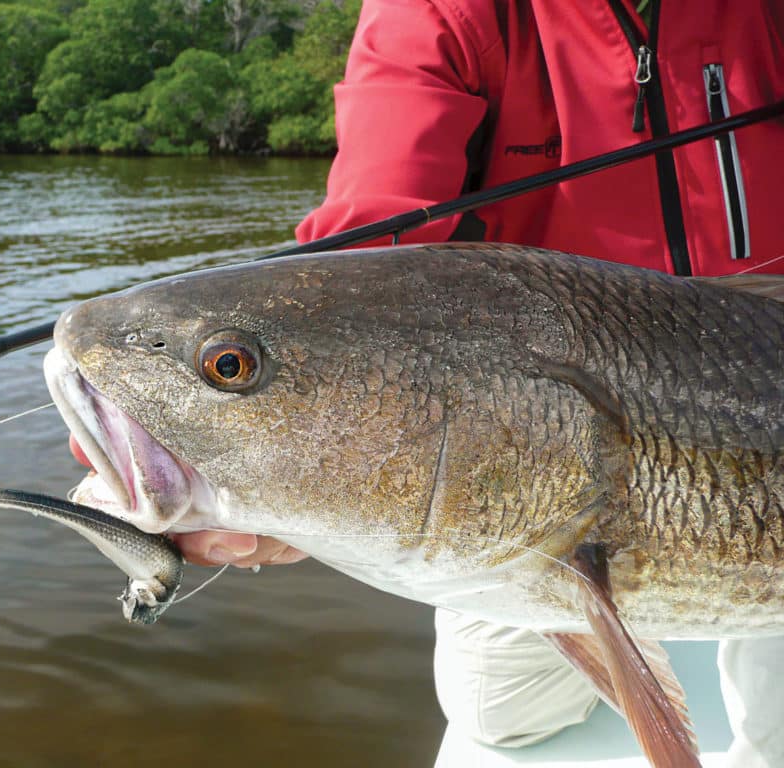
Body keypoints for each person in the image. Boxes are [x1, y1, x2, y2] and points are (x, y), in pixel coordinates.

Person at [86, 0, 784, 763]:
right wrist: (258, 452)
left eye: (229, 369)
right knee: (504, 719)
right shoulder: (444, 11)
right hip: (541, 435)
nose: (226, 375)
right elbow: (376, 233)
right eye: (232, 369)